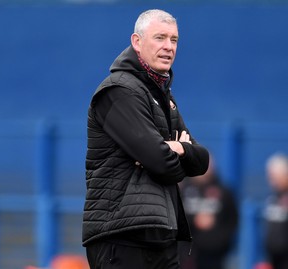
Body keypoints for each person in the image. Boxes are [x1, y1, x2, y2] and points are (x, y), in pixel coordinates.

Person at [82, 9, 210, 269]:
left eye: (174, 40)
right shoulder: (118, 91)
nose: (168, 47)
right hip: (122, 236)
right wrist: (171, 152)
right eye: (160, 38)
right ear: (137, 42)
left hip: (162, 235)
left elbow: (201, 162)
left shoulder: (165, 97)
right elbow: (161, 162)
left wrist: (180, 150)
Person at [179, 157, 238, 269]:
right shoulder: (183, 190)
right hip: (187, 256)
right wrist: (194, 220)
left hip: (214, 256)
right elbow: (176, 217)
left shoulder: (224, 191)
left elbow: (232, 221)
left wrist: (220, 243)